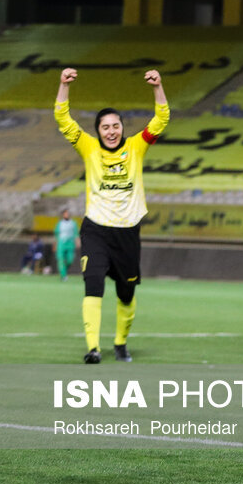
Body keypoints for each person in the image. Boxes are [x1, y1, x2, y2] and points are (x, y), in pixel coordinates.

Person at [54, 68, 169, 364]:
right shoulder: (88, 147)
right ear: (98, 131)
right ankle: (93, 348)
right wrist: (64, 85)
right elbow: (63, 120)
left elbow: (161, 120)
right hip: (96, 230)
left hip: (128, 233)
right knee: (93, 284)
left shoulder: (136, 146)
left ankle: (120, 343)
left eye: (115, 126)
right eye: (105, 127)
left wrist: (157, 87)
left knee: (126, 293)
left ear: (121, 127)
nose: (111, 131)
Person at [55, 209, 79, 282]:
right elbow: (56, 234)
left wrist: (78, 241)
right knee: (61, 260)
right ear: (63, 215)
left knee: (70, 260)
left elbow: (76, 233)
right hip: (61, 244)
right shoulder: (60, 223)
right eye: (65, 214)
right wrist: (56, 244)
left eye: (67, 213)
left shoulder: (73, 223)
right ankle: (63, 275)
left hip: (70, 244)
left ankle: (64, 271)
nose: (67, 215)